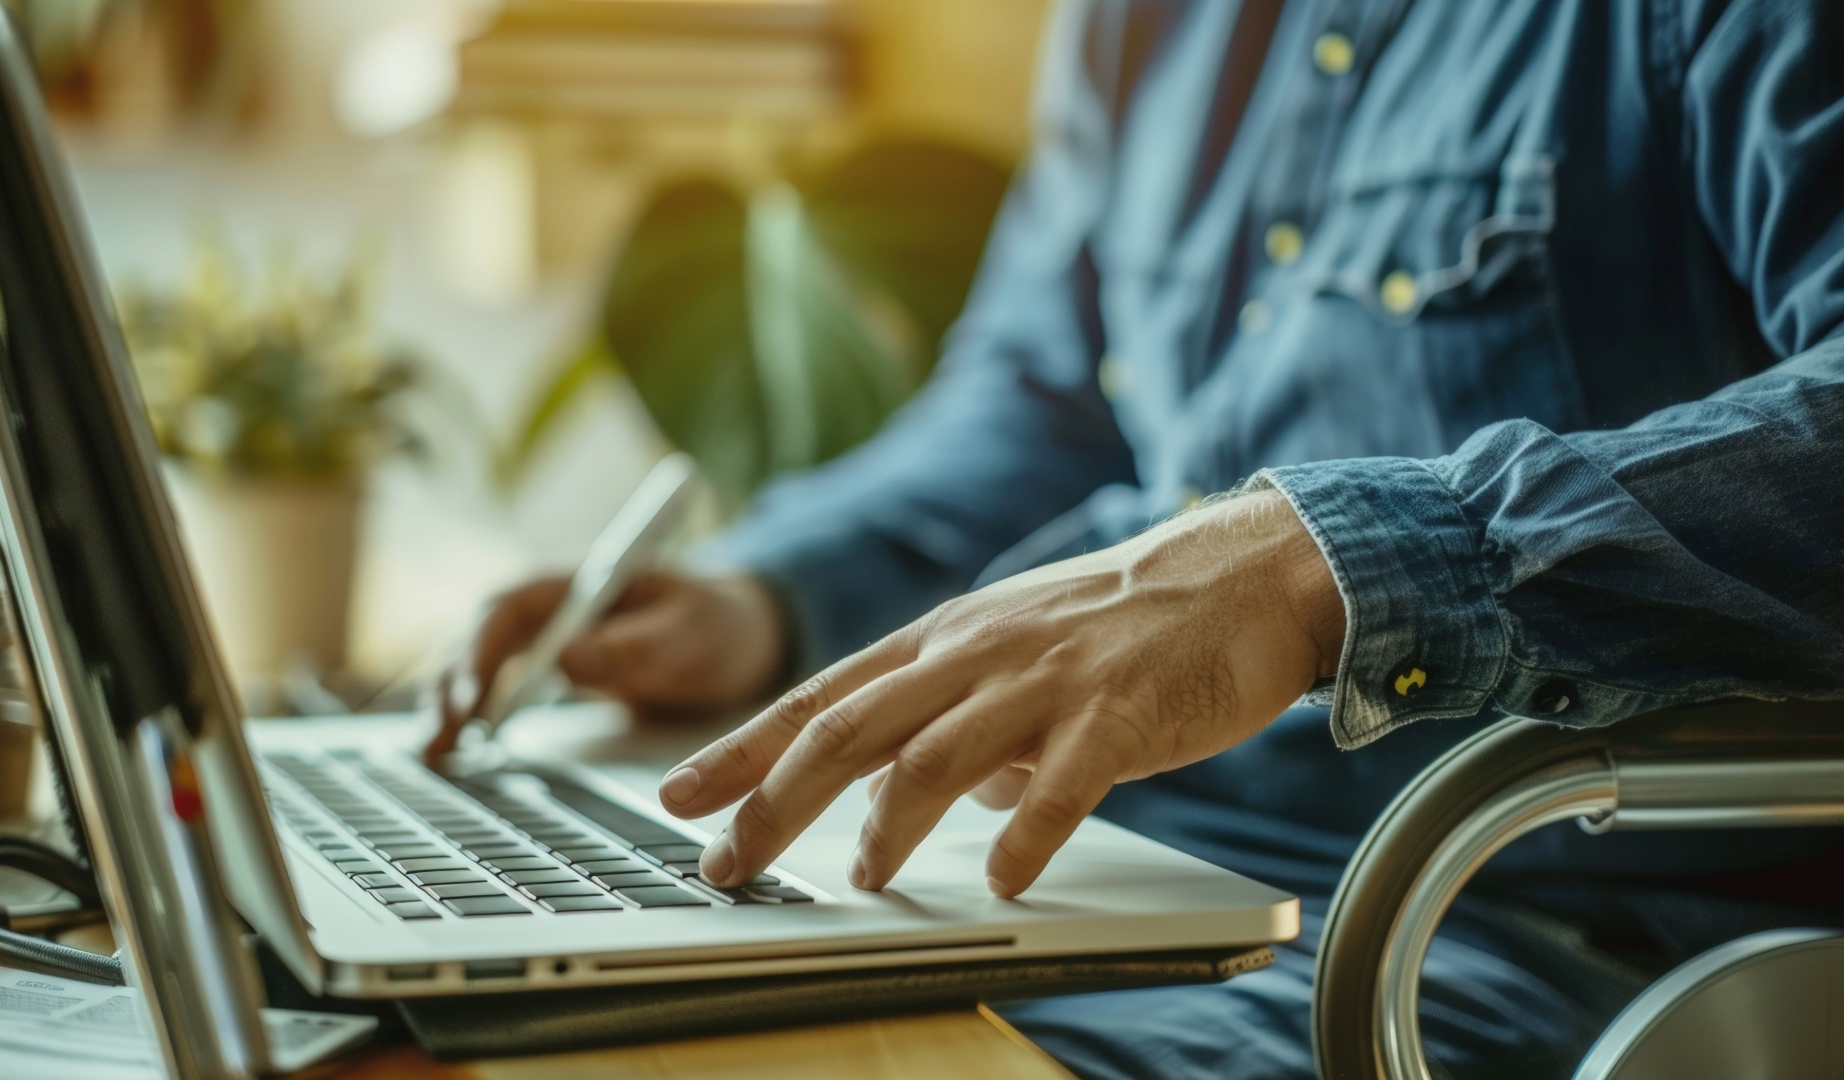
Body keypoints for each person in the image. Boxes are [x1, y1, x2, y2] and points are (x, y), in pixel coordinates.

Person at [433, 1, 1844, 1076]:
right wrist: (765, 592)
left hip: (1484, 919)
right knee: (452, 1027)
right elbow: (1039, 399)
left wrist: (1316, 564)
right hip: (1092, 874)